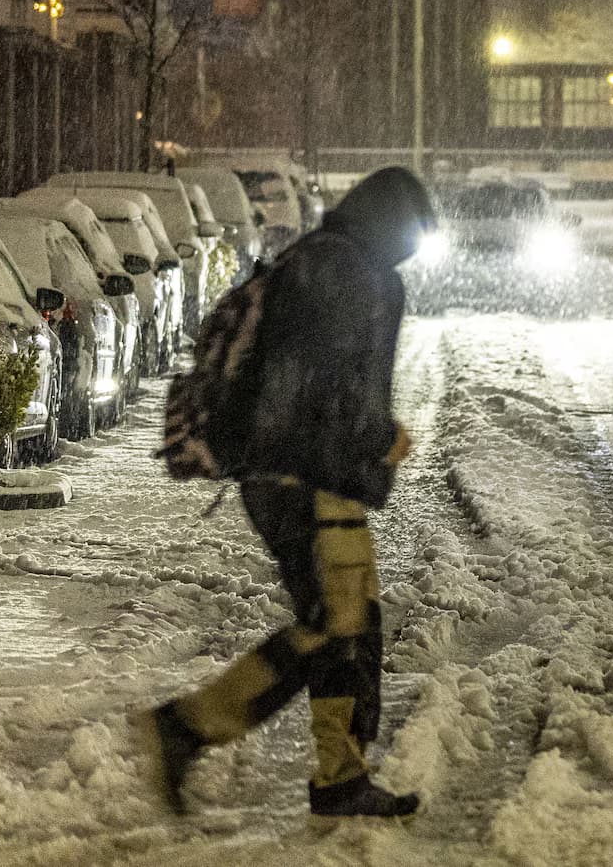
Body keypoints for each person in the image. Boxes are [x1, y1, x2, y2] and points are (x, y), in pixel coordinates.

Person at [131, 166, 436, 822]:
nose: (412, 249)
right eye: (412, 234)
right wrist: (380, 437)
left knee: (345, 622)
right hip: (305, 475)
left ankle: (340, 776)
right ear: (391, 224)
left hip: (294, 471)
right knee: (334, 624)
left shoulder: (325, 260)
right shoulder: (344, 273)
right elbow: (325, 384)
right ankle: (191, 725)